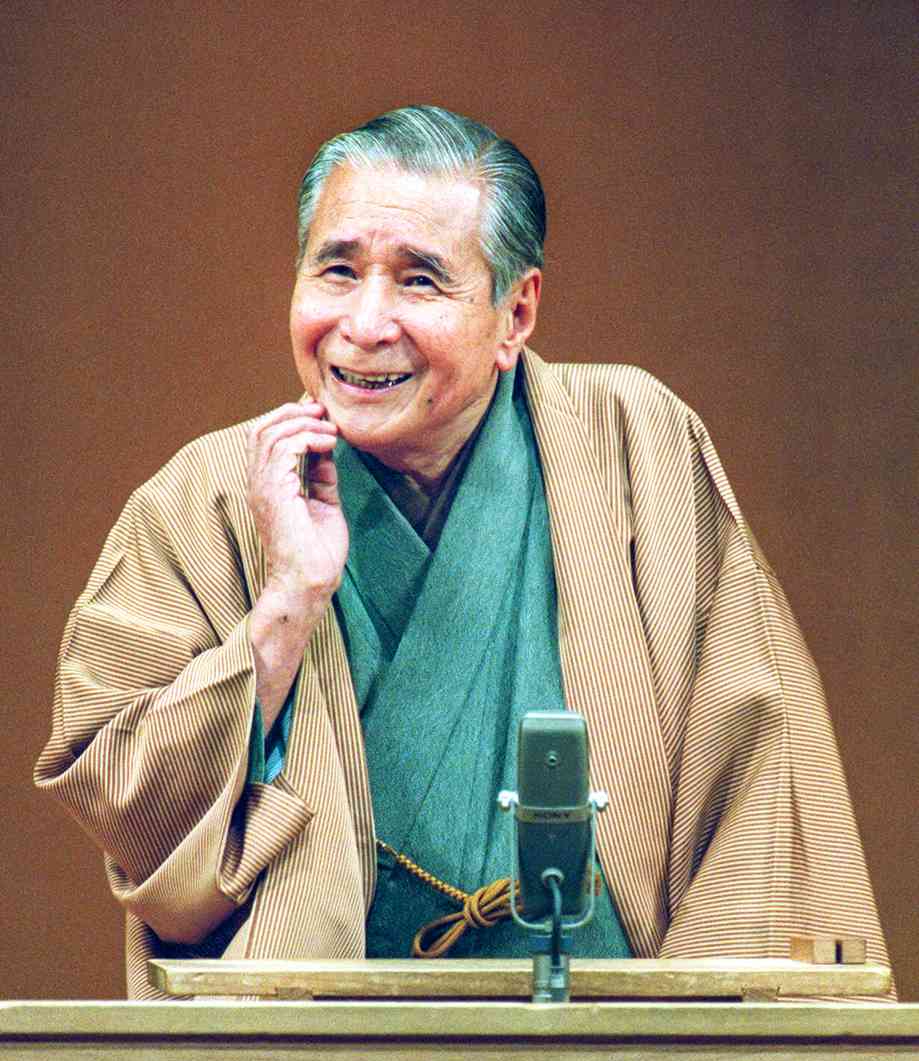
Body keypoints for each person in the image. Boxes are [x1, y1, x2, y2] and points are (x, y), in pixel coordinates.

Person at [35, 105, 892, 1000]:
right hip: (312, 1056)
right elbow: (135, 818)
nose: (365, 323)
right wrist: (285, 604)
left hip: (607, 1049)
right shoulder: (205, 499)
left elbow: (758, 785)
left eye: (419, 281)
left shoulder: (634, 447)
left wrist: (700, 1052)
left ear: (515, 312)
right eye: (337, 270)